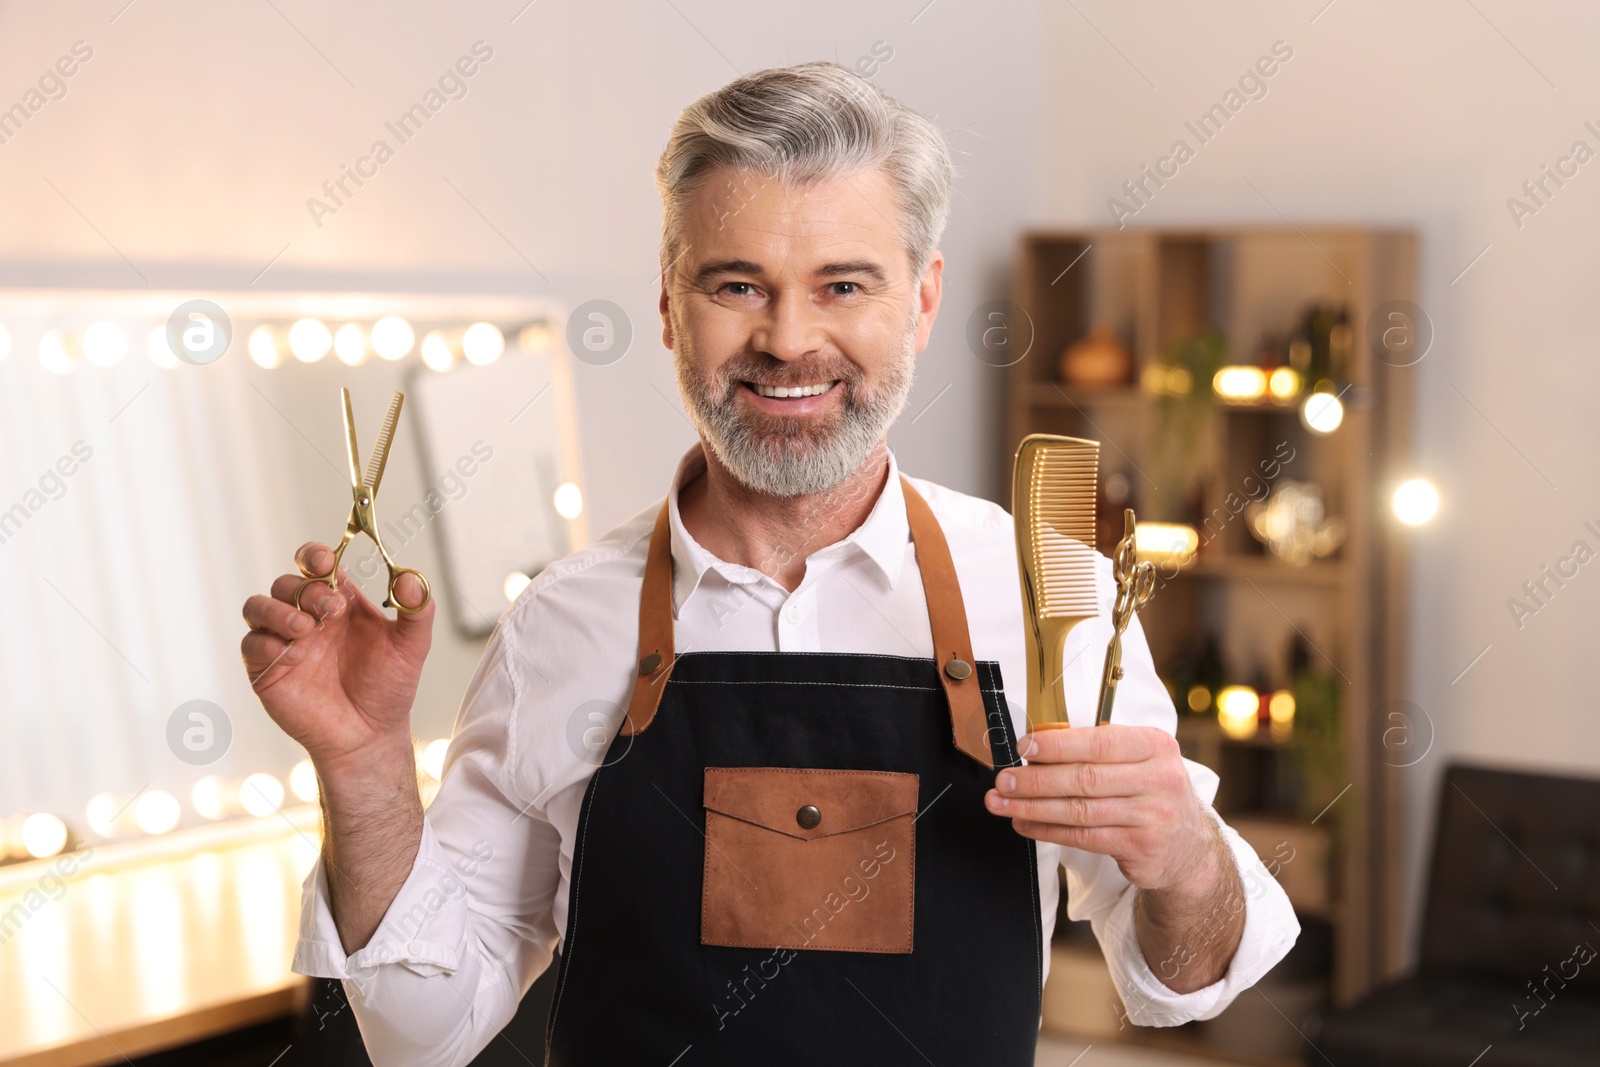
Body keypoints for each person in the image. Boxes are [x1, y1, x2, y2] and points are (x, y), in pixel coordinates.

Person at [241, 61, 1298, 1066]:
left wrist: (1184, 851)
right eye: (737, 284)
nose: (789, 339)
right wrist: (367, 765)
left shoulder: (1039, 598)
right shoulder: (563, 624)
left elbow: (1185, 977)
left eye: (843, 284)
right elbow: (424, 1030)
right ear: (668, 305)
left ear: (922, 301)